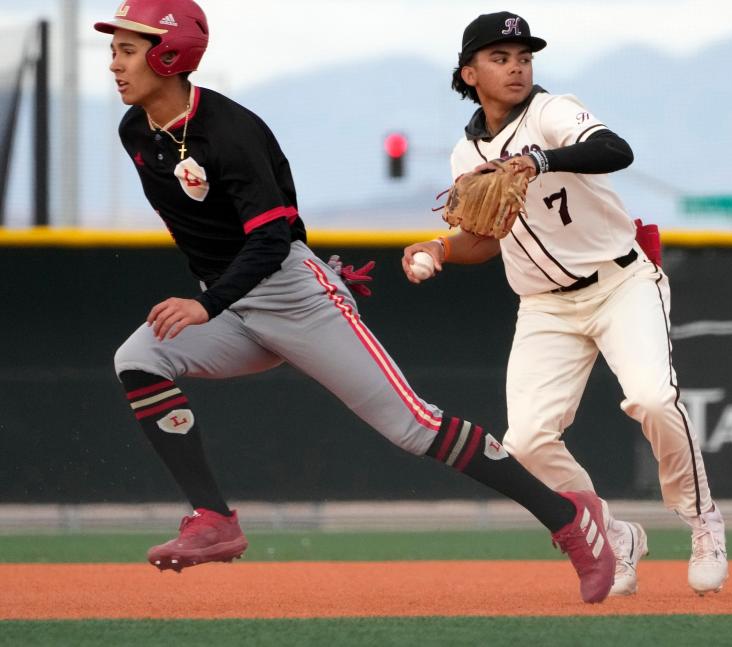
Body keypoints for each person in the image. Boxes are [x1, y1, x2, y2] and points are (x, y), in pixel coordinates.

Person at [95, 0, 616, 604]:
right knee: (139, 358)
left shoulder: (230, 131)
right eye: (115, 50)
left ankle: (569, 517)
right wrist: (230, 297)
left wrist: (292, 281)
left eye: (127, 49)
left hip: (292, 299)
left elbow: (271, 236)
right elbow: (210, 234)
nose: (114, 64)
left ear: (169, 53)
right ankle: (215, 519)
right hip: (235, 300)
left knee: (413, 426)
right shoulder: (137, 131)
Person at [402, 11, 728, 596]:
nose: (517, 66)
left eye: (524, 56)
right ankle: (613, 532)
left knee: (653, 399)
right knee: (524, 442)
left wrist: (540, 159)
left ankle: (701, 519)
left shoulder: (552, 112)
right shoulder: (464, 155)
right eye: (500, 58)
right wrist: (439, 248)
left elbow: (614, 149)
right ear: (468, 73)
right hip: (545, 308)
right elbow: (483, 237)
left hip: (621, 282)